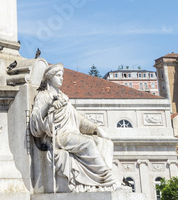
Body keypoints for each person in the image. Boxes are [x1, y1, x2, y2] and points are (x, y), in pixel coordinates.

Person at [30, 63, 117, 191]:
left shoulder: (64, 97)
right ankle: (108, 179)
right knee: (88, 143)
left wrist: (96, 128)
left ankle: (100, 182)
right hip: (59, 136)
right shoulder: (44, 96)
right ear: (50, 78)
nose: (61, 78)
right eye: (58, 75)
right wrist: (49, 105)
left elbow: (78, 118)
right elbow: (35, 120)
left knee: (104, 142)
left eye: (62, 75)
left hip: (72, 134)